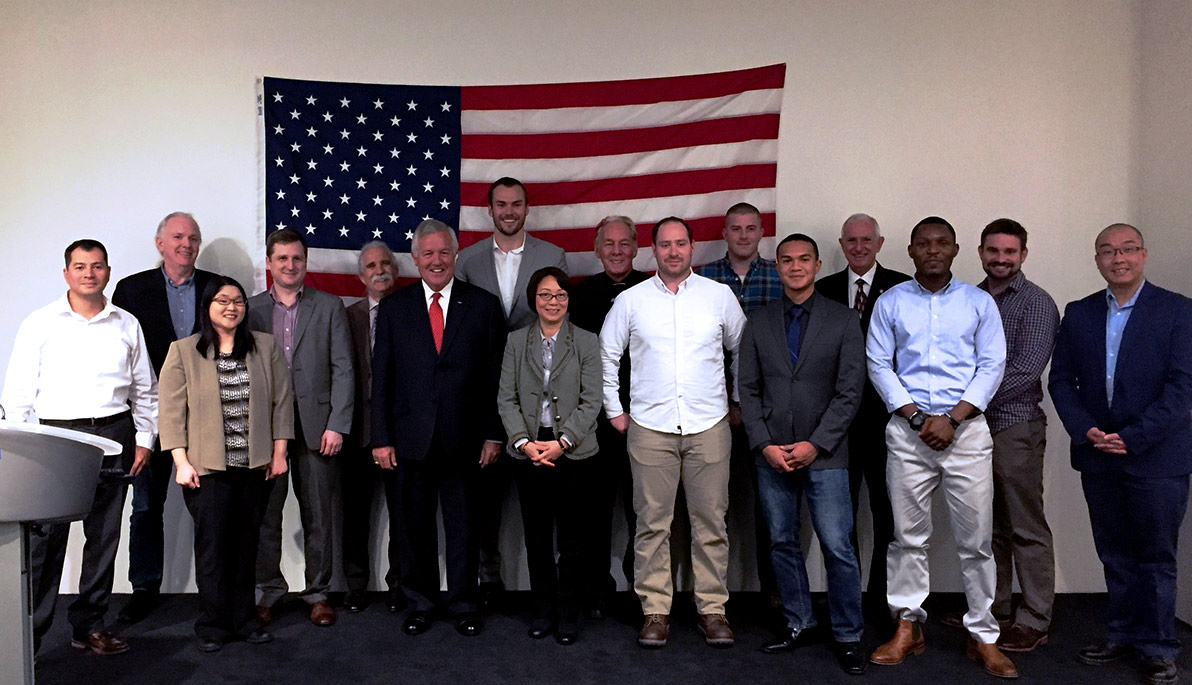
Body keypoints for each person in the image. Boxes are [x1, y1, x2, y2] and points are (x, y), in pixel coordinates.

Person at [865, 217, 1017, 679]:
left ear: (955, 250)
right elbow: (878, 363)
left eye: (941, 243)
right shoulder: (890, 302)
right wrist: (915, 417)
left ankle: (983, 636)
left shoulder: (978, 303)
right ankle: (908, 627)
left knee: (976, 542)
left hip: (966, 434)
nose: (933, 250)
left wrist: (952, 419)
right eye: (923, 244)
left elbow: (993, 364)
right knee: (907, 538)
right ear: (910, 251)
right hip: (908, 435)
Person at [1049, 224, 1192, 685]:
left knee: (1154, 556)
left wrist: (1134, 435)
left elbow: (1182, 387)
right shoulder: (1080, 313)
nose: (1119, 258)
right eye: (1108, 251)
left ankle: (1158, 646)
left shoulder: (1178, 312)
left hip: (1157, 457)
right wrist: (1086, 429)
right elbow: (1060, 381)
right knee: (1114, 552)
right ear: (1097, 260)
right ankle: (1123, 632)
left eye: (1128, 250)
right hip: (1098, 453)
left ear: (1144, 255)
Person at [1, 239, 157, 655]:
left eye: (98, 266)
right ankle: (27, 636)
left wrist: (144, 440)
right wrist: (26, 448)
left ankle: (89, 626)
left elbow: (146, 390)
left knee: (104, 537)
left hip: (113, 434)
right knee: (45, 543)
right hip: (55, 439)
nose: (89, 273)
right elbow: (17, 392)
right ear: (66, 273)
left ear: (108, 272)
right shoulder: (40, 322)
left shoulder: (127, 324)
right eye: (80, 266)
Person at [600, 216, 746, 649]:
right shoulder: (632, 300)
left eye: (681, 244)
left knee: (710, 523)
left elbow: (742, 351)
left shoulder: (719, 297)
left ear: (692, 247)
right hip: (649, 428)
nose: (673, 252)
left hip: (710, 425)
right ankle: (655, 612)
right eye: (665, 245)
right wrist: (615, 411)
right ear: (653, 250)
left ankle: (712, 610)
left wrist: (736, 401)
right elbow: (607, 355)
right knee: (651, 525)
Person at [738, 234, 867, 674]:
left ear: (815, 265)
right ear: (777, 267)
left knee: (838, 546)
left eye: (804, 259)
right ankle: (798, 621)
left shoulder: (844, 320)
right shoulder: (758, 321)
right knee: (781, 542)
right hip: (771, 453)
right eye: (787, 260)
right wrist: (764, 443)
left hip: (825, 453)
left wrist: (817, 443)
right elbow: (748, 390)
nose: (795, 267)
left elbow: (851, 392)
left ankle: (849, 634)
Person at [371, 219, 506, 637]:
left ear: (455, 255)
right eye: (427, 253)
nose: (436, 261)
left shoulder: (482, 305)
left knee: (465, 526)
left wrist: (493, 433)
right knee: (414, 528)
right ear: (414, 259)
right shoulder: (395, 308)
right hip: (410, 438)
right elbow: (384, 378)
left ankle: (465, 603)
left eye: (443, 252)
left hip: (465, 439)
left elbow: (495, 377)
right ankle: (421, 602)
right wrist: (381, 437)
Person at [158, 276, 293, 652]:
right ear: (207, 306)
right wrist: (181, 463)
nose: (231, 307)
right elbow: (170, 415)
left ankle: (245, 621)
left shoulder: (264, 347)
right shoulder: (183, 351)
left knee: (248, 546)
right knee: (214, 549)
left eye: (238, 301)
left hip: (255, 467)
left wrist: (280, 453)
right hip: (205, 470)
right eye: (222, 300)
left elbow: (282, 402)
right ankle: (214, 625)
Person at [455, 176, 568, 604]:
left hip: (537, 394)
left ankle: (552, 589)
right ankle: (489, 578)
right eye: (501, 204)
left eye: (516, 204)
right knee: (482, 498)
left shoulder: (552, 255)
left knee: (541, 501)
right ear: (490, 209)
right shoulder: (466, 260)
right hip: (479, 393)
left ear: (526, 208)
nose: (509, 211)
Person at [110, 211, 217, 623]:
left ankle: (214, 590)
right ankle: (143, 587)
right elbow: (120, 357)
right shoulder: (132, 290)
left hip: (205, 420)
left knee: (209, 510)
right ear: (160, 244)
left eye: (193, 237)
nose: (185, 244)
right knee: (145, 507)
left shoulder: (216, 287)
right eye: (177, 237)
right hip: (150, 419)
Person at [248, 228, 354, 628]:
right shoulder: (252, 309)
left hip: (318, 428)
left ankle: (319, 592)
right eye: (282, 259)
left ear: (305, 263)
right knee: (265, 515)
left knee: (320, 515)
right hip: (267, 430)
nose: (290, 266)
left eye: (297, 259)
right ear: (269, 264)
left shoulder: (329, 306)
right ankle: (267, 592)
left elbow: (344, 368)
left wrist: (337, 424)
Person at [497, 266, 602, 645]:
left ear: (568, 300)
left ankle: (569, 614)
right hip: (529, 451)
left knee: (573, 540)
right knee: (537, 538)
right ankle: (542, 610)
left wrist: (563, 443)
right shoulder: (515, 342)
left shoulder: (587, 341)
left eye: (559, 295)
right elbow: (505, 399)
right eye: (545, 295)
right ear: (533, 300)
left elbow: (593, 401)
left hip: (573, 454)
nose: (553, 301)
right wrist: (525, 443)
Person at [815, 212, 910, 625]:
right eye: (851, 240)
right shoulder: (822, 290)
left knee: (890, 517)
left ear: (880, 242)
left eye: (866, 239)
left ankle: (883, 599)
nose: (858, 247)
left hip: (890, 423)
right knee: (841, 520)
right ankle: (847, 600)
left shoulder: (904, 287)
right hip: (837, 425)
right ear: (841, 243)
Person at [974, 219, 1060, 653]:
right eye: (994, 251)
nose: (1001, 259)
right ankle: (998, 609)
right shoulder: (968, 297)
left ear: (1023, 254)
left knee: (1025, 524)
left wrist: (964, 404)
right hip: (971, 430)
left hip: (1013, 424)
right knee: (990, 527)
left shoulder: (1037, 303)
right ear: (981, 252)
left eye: (1010, 252)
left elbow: (1025, 371)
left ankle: (1035, 617)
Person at [695, 202, 783, 605]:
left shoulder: (779, 276)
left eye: (751, 228)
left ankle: (775, 597)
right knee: (712, 509)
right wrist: (730, 402)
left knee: (771, 510)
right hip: (713, 411)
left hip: (770, 410)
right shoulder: (703, 278)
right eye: (736, 228)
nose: (743, 235)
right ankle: (712, 597)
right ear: (725, 233)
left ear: (761, 232)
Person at [569, 215, 650, 617]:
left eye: (624, 244)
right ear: (597, 249)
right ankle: (596, 591)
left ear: (636, 249)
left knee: (644, 513)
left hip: (647, 420)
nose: (617, 251)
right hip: (597, 423)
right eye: (609, 244)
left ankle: (643, 592)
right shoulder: (580, 296)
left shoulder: (655, 290)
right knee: (594, 513)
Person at [342, 241, 402, 614]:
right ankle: (355, 585)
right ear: (361, 275)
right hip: (356, 432)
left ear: (395, 270)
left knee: (404, 514)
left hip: (399, 432)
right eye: (371, 266)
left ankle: (399, 585)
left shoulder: (410, 312)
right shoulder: (346, 316)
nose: (379, 271)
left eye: (385, 264)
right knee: (354, 514)